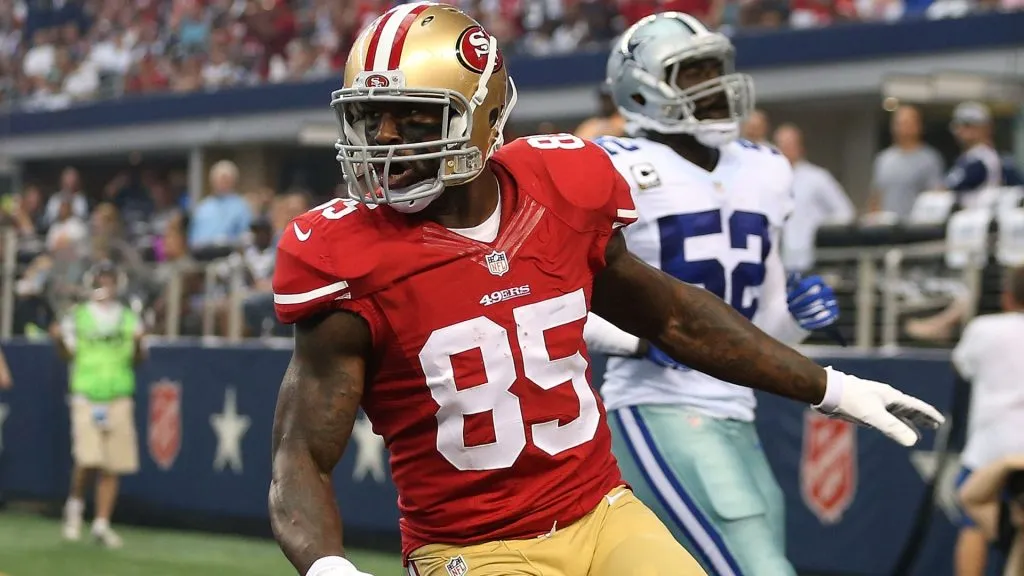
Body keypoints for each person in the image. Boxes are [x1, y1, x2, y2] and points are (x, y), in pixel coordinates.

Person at [268, 5, 944, 576]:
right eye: (371, 117)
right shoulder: (344, 257)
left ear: (484, 115)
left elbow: (676, 318)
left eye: (412, 119)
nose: (384, 141)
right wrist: (329, 568)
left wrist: (832, 389)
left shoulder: (561, 188)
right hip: (474, 547)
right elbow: (301, 450)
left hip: (603, 514)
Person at [582, 13, 836, 575]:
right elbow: (555, 298)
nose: (715, 86)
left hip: (738, 408)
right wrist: (638, 341)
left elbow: (761, 323)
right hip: (657, 404)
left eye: (715, 70)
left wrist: (797, 318)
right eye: (690, 74)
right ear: (641, 88)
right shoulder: (613, 166)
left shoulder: (767, 169)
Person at [51, 261, 145, 548]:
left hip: (118, 392)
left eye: (110, 278)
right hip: (87, 392)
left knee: (112, 464)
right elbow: (67, 354)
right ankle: (76, 506)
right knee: (88, 459)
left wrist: (140, 344)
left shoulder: (129, 318)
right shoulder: (78, 316)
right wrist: (57, 340)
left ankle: (102, 523)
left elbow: (138, 359)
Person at [951, 265, 1024, 576]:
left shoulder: (984, 328)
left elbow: (963, 366)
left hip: (991, 446)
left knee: (974, 521)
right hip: (1004, 449)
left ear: (1007, 297)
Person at [774, 122, 855, 273]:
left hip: (811, 260)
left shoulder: (817, 177)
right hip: (777, 263)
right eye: (781, 145)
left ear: (800, 147)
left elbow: (845, 212)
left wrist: (819, 229)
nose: (785, 150)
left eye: (789, 145)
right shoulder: (770, 180)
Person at [868, 104, 944, 219]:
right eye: (899, 123)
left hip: (915, 227)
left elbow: (936, 196)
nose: (902, 128)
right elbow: (876, 196)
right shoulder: (884, 159)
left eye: (907, 123)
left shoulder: (929, 159)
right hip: (887, 227)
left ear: (918, 126)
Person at [959, 455, 1024, 576]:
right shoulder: (1013, 533)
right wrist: (1007, 462)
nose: (1018, 512)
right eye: (1020, 504)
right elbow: (971, 499)